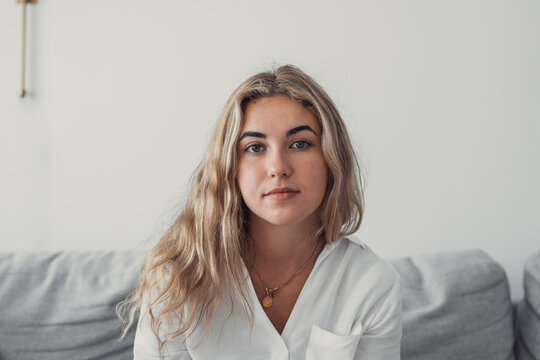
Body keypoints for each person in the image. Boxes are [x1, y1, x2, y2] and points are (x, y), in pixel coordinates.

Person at [117, 64, 402, 359]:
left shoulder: (372, 282)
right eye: (255, 148)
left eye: (300, 143)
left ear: (331, 157)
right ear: (229, 165)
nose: (278, 167)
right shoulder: (175, 276)